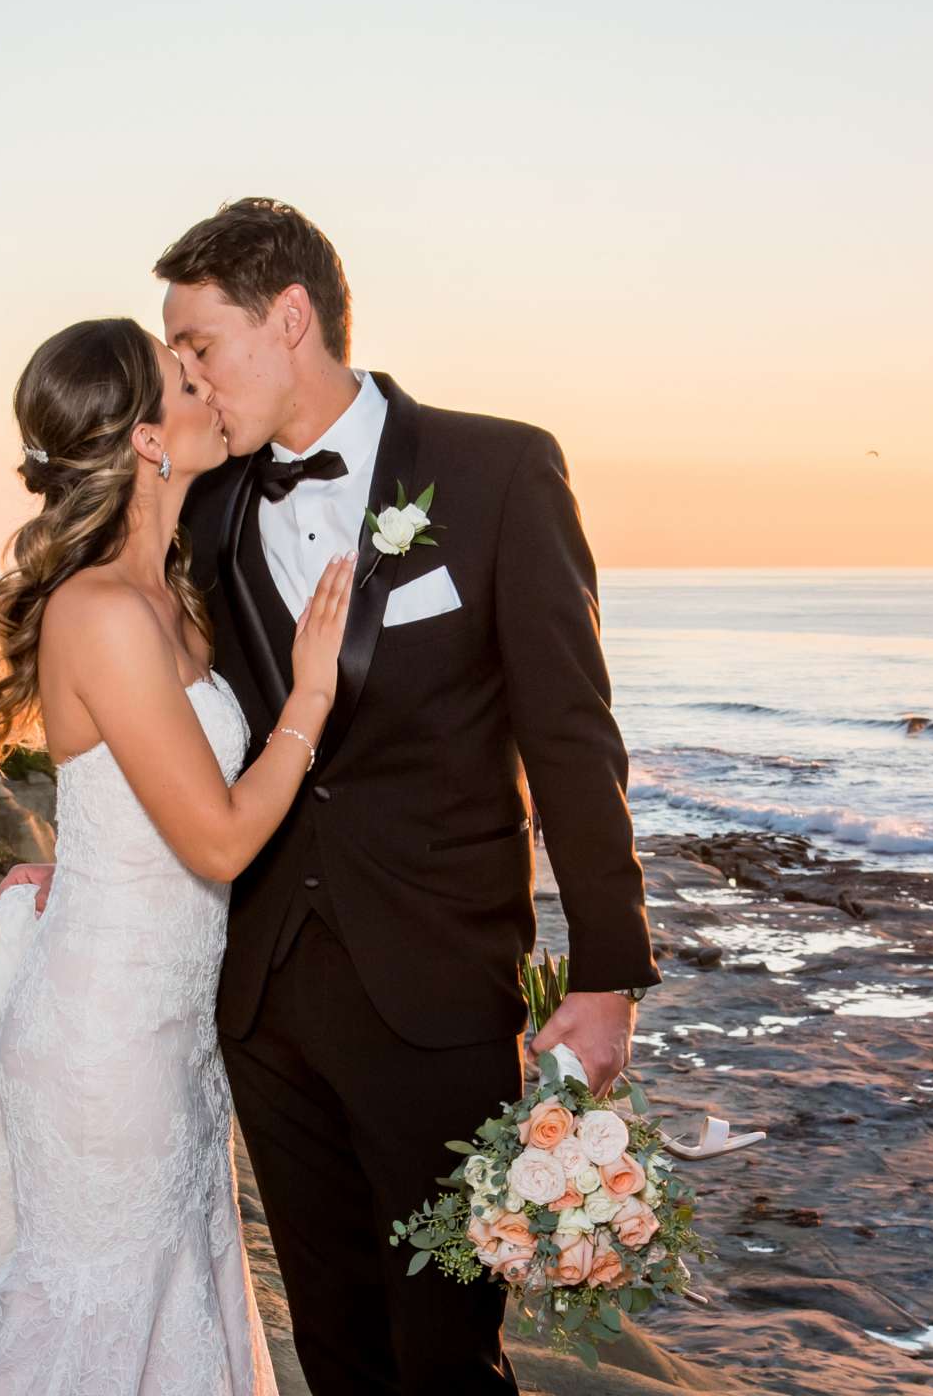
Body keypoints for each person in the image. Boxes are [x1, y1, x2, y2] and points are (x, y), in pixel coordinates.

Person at [127, 197, 652, 1392]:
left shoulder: (498, 469)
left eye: (200, 344)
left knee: (448, 1352)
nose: (187, 378)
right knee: (335, 1344)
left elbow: (570, 731)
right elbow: (165, 699)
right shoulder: (208, 503)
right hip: (261, 989)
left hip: (437, 988)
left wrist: (609, 972)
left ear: (291, 318)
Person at [0, 317, 353, 1394]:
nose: (213, 389)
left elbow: (131, 795)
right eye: (189, 380)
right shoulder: (101, 609)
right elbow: (224, 838)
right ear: (149, 439)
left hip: (164, 1033)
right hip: (106, 1052)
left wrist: (85, 861)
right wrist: (312, 696)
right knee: (93, 1323)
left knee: (164, 1305)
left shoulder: (171, 594)